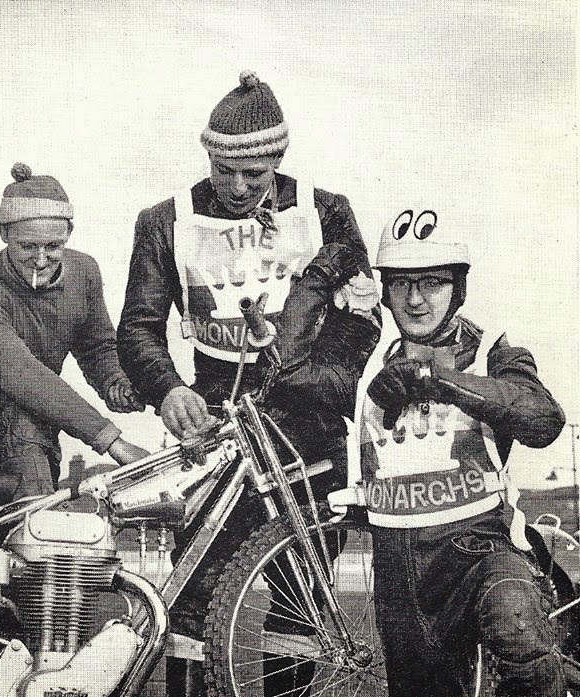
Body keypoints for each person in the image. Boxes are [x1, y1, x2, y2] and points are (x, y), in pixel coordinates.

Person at [117, 70, 382, 695]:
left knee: (303, 598)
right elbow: (138, 326)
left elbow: (362, 318)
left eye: (254, 176)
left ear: (279, 160)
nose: (237, 188)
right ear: (207, 157)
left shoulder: (327, 212)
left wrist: (322, 380)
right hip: (212, 423)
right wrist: (167, 390)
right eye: (223, 171)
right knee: (193, 593)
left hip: (306, 423)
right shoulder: (165, 220)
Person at [351, 206, 567, 695]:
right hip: (400, 574)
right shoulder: (366, 364)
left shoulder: (495, 349)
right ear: (383, 291)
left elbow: (542, 420)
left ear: (458, 289)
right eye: (401, 283)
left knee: (514, 619)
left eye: (432, 283)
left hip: (482, 549)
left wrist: (442, 381)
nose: (416, 299)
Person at [0, 163, 147, 499]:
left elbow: (96, 345)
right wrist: (112, 441)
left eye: (52, 246)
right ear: (4, 234)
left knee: (27, 423)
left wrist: (114, 381)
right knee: (20, 417)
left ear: (68, 235)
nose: (40, 259)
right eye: (27, 247)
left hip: (37, 422)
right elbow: (23, 376)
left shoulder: (84, 271)